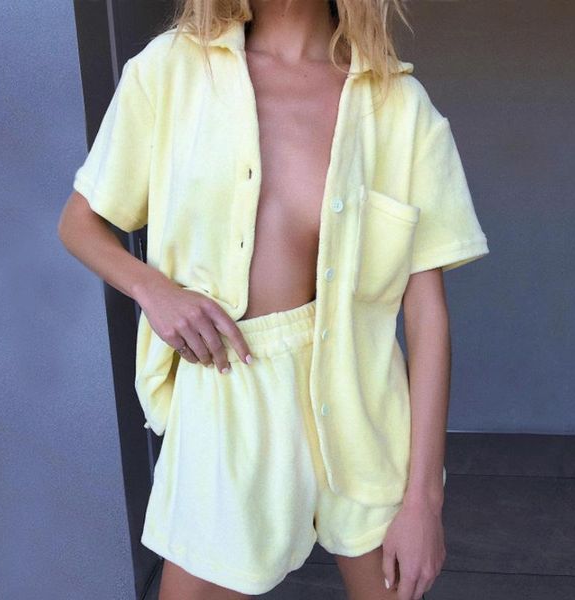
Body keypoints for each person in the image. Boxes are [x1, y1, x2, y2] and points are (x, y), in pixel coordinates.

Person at [58, 1, 490, 599]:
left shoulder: (400, 107)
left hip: (364, 399)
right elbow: (79, 223)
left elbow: (427, 315)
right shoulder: (169, 71)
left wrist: (424, 500)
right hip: (229, 383)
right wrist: (156, 292)